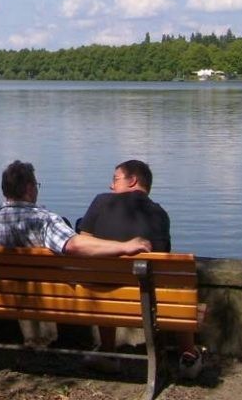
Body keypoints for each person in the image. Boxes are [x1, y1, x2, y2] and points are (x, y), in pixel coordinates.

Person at [76, 160, 201, 378]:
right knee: (180, 287)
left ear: (132, 180)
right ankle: (188, 355)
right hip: (146, 301)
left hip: (100, 296)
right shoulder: (159, 214)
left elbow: (84, 243)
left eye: (115, 179)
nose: (110, 186)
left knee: (102, 277)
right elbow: (161, 258)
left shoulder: (101, 202)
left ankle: (107, 350)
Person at [0, 160, 150, 256]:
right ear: (30, 189)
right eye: (36, 185)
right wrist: (125, 246)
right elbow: (73, 245)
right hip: (41, 304)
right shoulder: (44, 221)